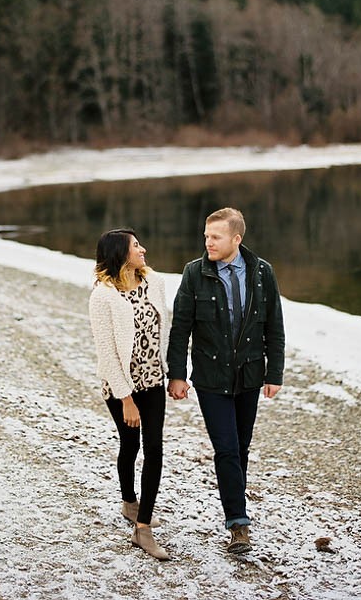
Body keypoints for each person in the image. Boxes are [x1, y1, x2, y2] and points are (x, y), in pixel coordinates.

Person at [167, 207, 285, 555]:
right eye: (206, 236)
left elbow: (274, 327)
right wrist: (177, 374)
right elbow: (180, 329)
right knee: (227, 448)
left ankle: (236, 506)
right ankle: (238, 523)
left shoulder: (262, 272)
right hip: (210, 378)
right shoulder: (194, 273)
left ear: (237, 238)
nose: (208, 243)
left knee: (240, 449)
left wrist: (273, 373)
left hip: (249, 375)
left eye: (215, 237)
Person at [89, 228, 170, 561]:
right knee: (130, 444)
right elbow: (107, 352)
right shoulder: (103, 296)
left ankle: (143, 527)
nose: (143, 250)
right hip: (120, 386)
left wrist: (173, 372)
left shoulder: (155, 282)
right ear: (120, 253)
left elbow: (167, 327)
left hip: (154, 381)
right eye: (136, 246)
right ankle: (128, 501)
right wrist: (126, 399)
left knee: (153, 447)